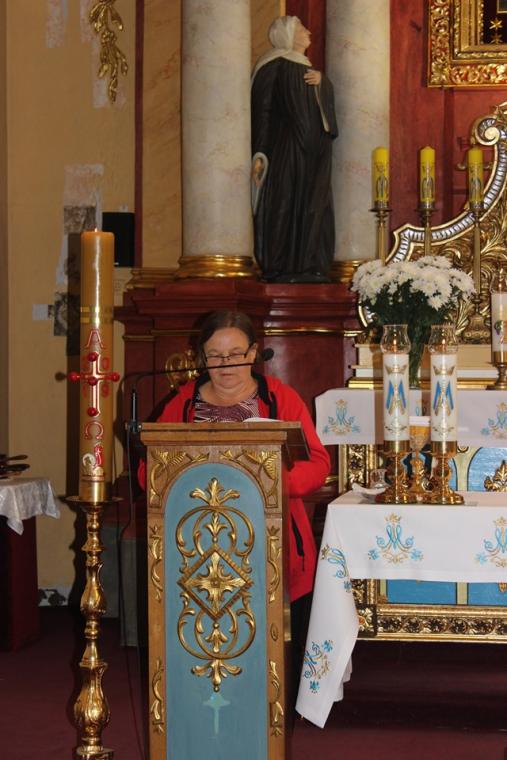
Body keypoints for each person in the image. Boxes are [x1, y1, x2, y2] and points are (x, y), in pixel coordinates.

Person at [138, 310, 330, 605]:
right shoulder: (184, 403)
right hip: (197, 544)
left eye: (236, 354)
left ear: (253, 353)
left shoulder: (279, 398)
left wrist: (269, 481)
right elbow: (148, 470)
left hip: (271, 543)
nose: (225, 364)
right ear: (202, 357)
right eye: (215, 355)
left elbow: (318, 464)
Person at [251, 16, 338, 283]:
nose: (308, 31)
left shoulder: (313, 71)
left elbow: (325, 112)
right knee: (285, 202)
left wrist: (323, 83)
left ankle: (312, 265)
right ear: (287, 34)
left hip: (317, 150)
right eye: (301, 28)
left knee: (316, 204)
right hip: (287, 148)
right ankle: (280, 265)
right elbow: (262, 110)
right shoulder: (273, 65)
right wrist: (260, 151)